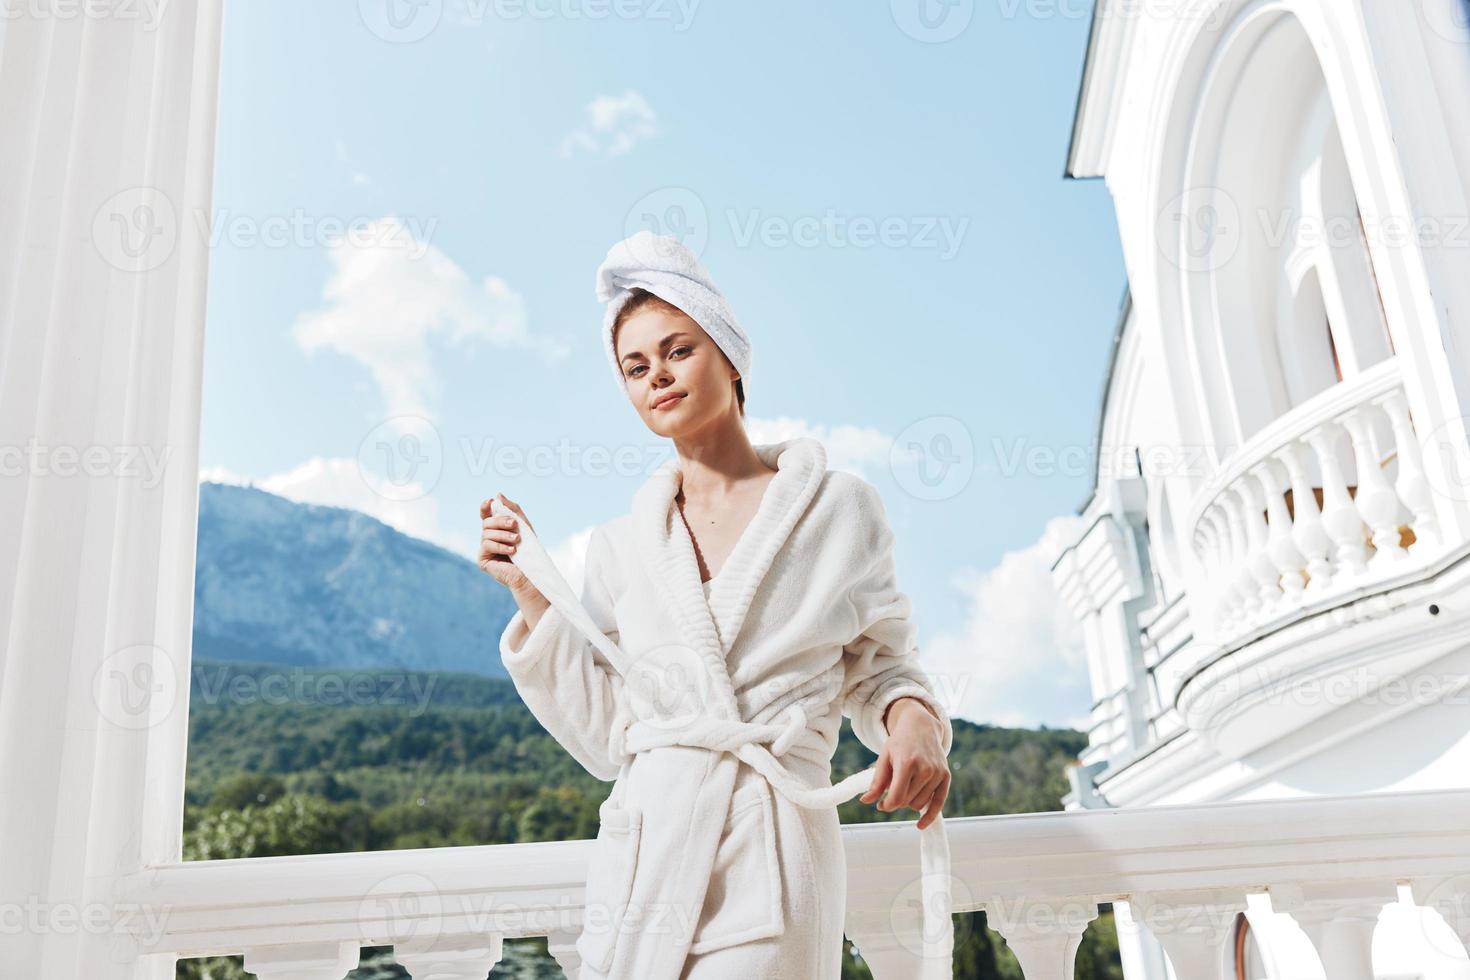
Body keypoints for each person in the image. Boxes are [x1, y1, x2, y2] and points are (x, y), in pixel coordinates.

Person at [477, 231, 954, 980]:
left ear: (730, 357)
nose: (656, 377)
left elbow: (884, 663)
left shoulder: (836, 510)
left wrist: (916, 721)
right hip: (646, 860)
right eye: (635, 368)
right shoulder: (620, 547)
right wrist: (536, 597)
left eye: (677, 350)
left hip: (770, 849)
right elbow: (608, 739)